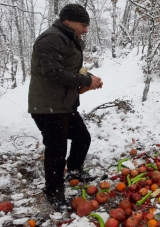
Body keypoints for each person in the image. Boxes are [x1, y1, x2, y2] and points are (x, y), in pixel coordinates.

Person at [28, 4, 102, 211]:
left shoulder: (67, 38)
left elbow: (67, 68)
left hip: (63, 104)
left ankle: (74, 172)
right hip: (47, 106)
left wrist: (85, 79)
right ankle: (53, 192)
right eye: (83, 25)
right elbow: (53, 73)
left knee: (81, 137)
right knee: (57, 150)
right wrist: (85, 79)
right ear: (68, 21)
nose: (86, 29)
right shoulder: (51, 38)